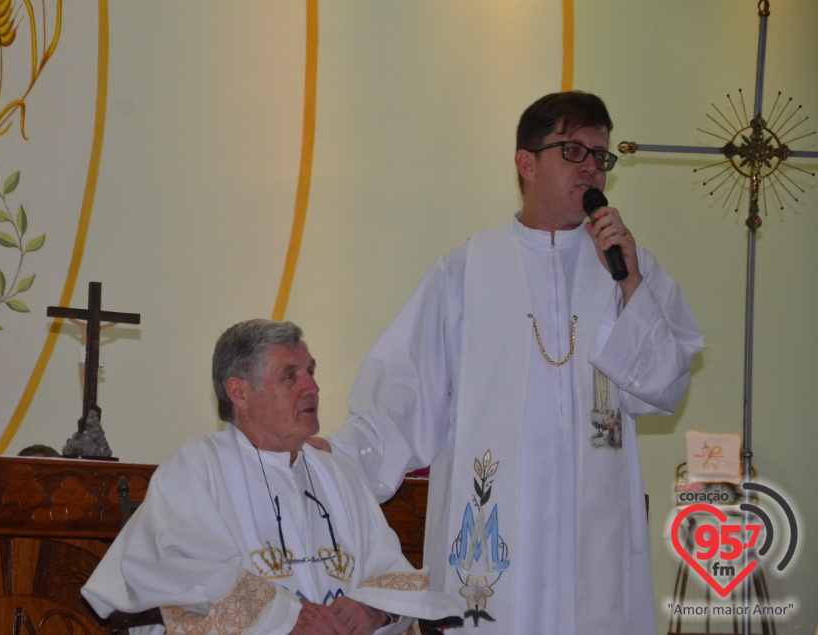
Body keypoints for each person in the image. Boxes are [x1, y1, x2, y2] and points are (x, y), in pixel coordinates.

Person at [317, 91, 704, 634]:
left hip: (592, 539)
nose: (592, 168)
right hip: (495, 547)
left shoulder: (629, 269)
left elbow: (663, 388)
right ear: (526, 162)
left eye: (600, 156)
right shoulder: (466, 271)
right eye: (574, 151)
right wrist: (328, 460)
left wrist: (631, 284)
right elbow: (402, 399)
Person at [81, 319, 463, 635]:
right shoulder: (198, 466)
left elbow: (390, 571)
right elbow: (167, 571)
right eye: (290, 376)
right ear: (239, 393)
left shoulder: (335, 473)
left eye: (311, 372)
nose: (312, 387)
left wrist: (374, 610)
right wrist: (284, 616)